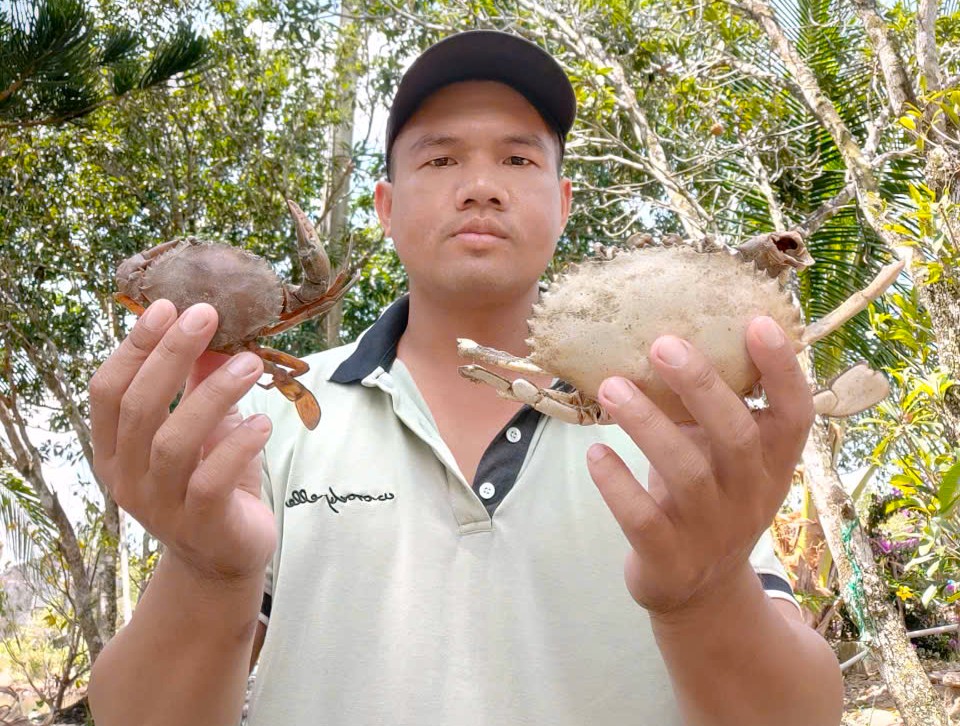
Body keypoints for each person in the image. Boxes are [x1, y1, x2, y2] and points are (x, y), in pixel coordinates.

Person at [87, 30, 844, 726]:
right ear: (385, 206)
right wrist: (206, 575)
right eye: (440, 159)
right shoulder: (264, 420)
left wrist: (706, 596)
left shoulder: (675, 424)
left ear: (563, 203)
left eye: (518, 159)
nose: (481, 187)